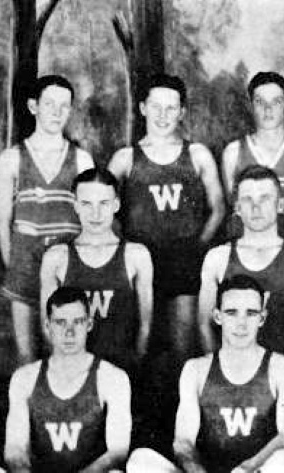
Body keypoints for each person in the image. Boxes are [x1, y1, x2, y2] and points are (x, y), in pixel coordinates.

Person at [125, 275, 284, 473]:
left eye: (251, 313)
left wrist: (247, 467)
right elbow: (183, 441)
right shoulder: (196, 369)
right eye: (232, 312)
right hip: (208, 470)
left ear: (262, 318)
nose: (241, 323)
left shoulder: (281, 366)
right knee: (140, 460)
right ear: (218, 317)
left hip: (257, 469)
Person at [108, 73, 225, 362]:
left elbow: (219, 208)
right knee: (138, 347)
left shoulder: (197, 154)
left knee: (183, 349)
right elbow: (102, 207)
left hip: (183, 264)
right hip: (138, 263)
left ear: (182, 112)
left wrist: (196, 247)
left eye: (171, 108)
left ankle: (179, 405)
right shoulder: (125, 158)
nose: (163, 115)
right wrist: (124, 249)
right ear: (142, 108)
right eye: (156, 107)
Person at [0, 287, 131, 473]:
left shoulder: (112, 377)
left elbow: (117, 451)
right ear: (47, 326)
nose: (70, 332)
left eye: (78, 322)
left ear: (89, 324)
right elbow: (15, 450)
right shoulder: (25, 378)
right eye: (60, 322)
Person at [0, 75, 95, 364]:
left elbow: (89, 219)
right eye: (49, 104)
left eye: (64, 106)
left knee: (65, 354)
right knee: (26, 356)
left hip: (66, 269)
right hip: (25, 266)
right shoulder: (12, 158)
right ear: (33, 106)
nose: (56, 112)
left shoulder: (82, 160)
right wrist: (13, 264)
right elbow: (4, 222)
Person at [198, 165, 284, 361]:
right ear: (237, 208)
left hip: (282, 377)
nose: (256, 208)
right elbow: (204, 325)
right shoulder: (217, 258)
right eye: (247, 200)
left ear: (280, 205)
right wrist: (220, 373)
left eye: (264, 199)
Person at [39, 168, 154, 373]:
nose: (95, 214)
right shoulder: (57, 257)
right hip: (73, 371)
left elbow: (145, 327)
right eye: (86, 204)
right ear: (75, 206)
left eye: (104, 204)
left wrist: (133, 370)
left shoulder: (136, 255)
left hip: (122, 368)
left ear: (116, 205)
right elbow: (47, 327)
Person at [221, 71, 284, 244]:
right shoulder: (233, 153)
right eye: (260, 102)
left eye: (276, 102)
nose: (268, 109)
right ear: (251, 106)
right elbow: (233, 212)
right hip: (245, 261)